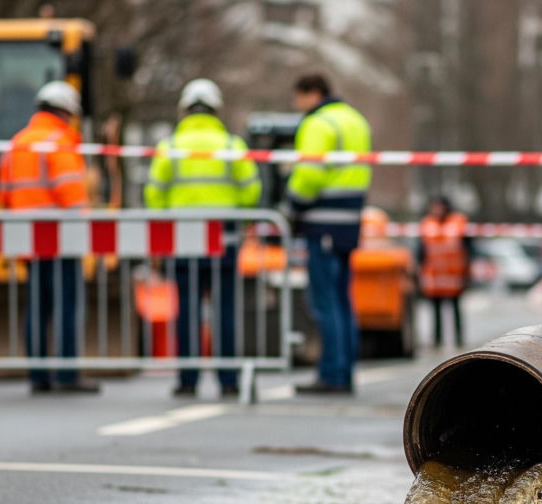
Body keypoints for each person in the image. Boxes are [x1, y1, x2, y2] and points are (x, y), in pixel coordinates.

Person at [144, 79, 260, 398]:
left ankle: (187, 380)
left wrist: (168, 224)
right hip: (225, 237)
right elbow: (251, 190)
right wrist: (242, 220)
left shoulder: (170, 146)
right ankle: (228, 380)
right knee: (225, 310)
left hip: (184, 239)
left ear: (184, 109)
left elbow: (154, 194)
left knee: (187, 309)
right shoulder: (231, 146)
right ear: (216, 110)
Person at [0, 80, 98, 394]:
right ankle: (67, 375)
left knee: (37, 307)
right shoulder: (60, 141)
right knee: (67, 306)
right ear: (67, 112)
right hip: (61, 241)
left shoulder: (18, 142)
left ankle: (38, 375)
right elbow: (73, 196)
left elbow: (4, 197)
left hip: (29, 240)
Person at [286, 73, 372, 394]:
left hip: (322, 221)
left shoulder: (318, 123)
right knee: (341, 299)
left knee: (324, 301)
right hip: (349, 220)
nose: (297, 106)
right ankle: (344, 371)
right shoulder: (356, 121)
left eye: (298, 98)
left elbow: (309, 174)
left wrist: (292, 205)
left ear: (311, 93)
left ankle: (332, 374)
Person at [417, 196, 470, 347]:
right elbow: (422, 250)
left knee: (455, 309)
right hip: (434, 277)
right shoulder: (427, 224)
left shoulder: (458, 222)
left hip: (454, 276)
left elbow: (467, 247)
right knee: (435, 311)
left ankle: (459, 339)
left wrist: (468, 271)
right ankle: (437, 340)